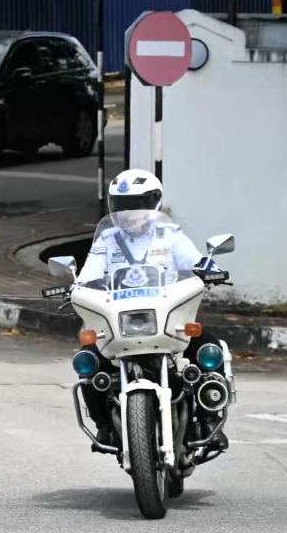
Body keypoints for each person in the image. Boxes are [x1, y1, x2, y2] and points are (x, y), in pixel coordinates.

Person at [77, 169, 229, 454]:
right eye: (122, 206)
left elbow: (195, 260)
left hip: (166, 321)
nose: (129, 213)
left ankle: (209, 420)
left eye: (137, 204)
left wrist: (211, 270)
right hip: (120, 322)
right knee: (89, 360)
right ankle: (104, 425)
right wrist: (75, 286)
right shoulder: (106, 241)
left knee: (210, 348)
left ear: (154, 204)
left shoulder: (170, 235)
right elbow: (86, 277)